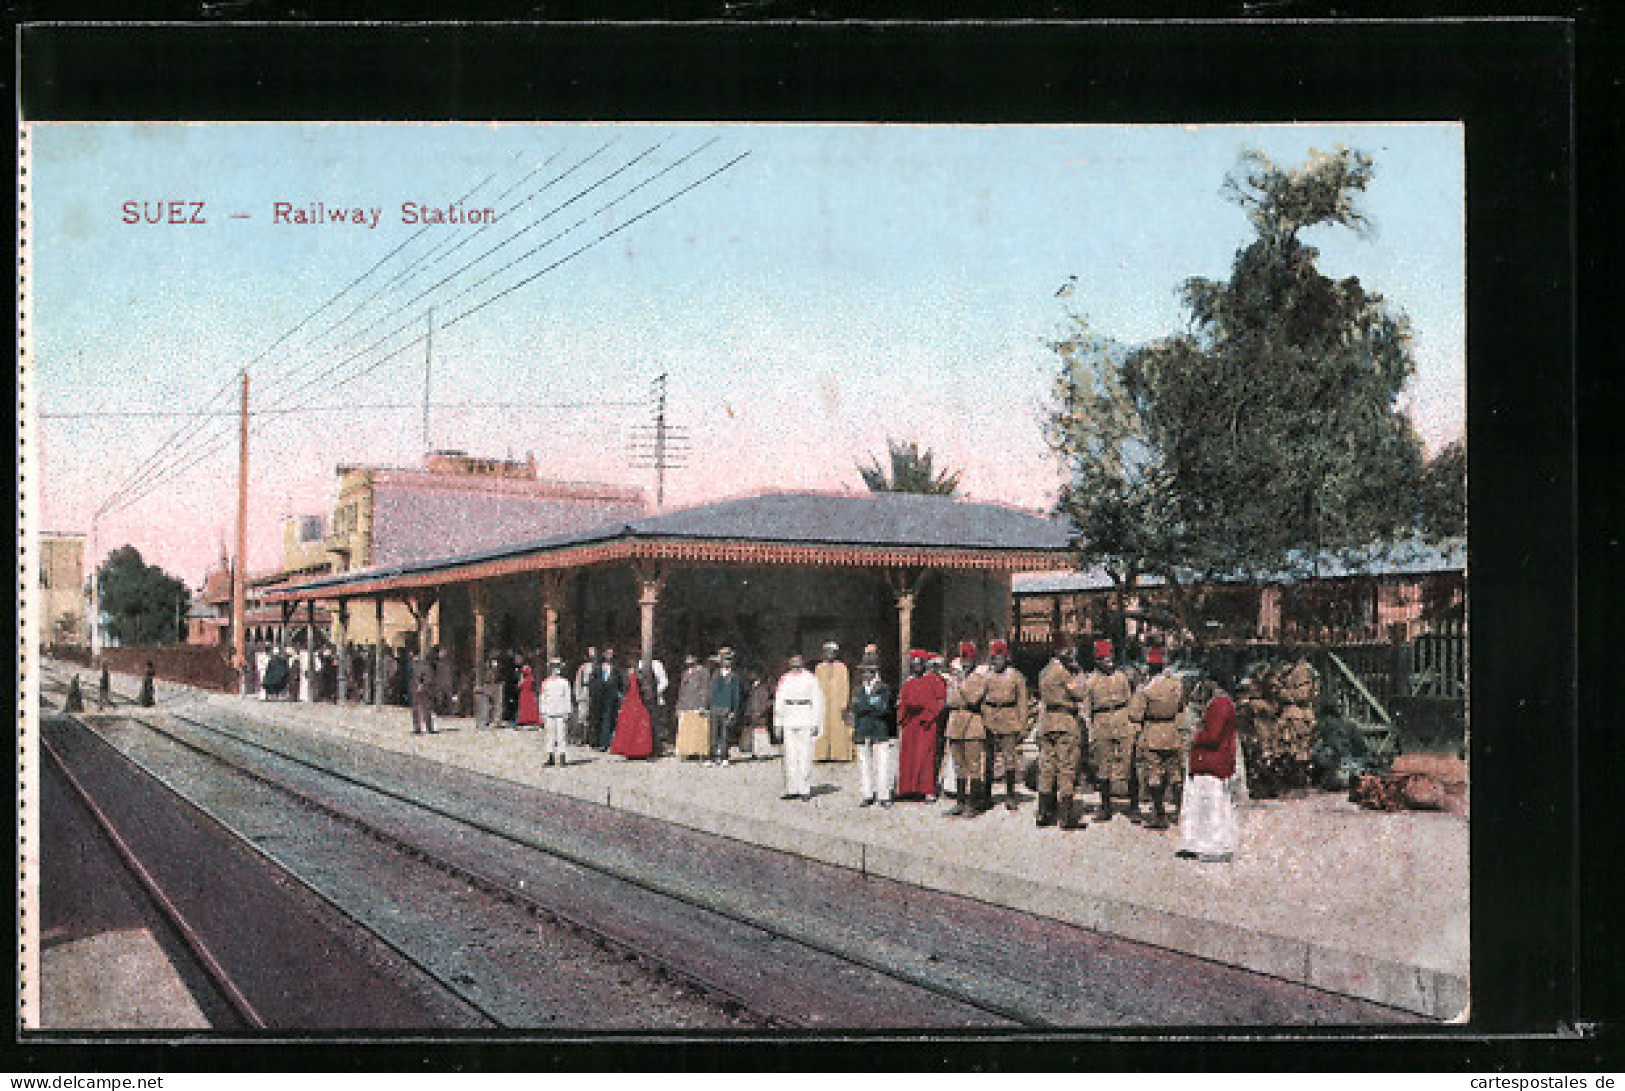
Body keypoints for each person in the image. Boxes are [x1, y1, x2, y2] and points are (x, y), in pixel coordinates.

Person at [1180, 679, 1239, 863]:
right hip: (1216, 762)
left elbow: (1213, 736)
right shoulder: (1224, 703)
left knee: (1209, 808)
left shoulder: (1218, 705)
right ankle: (1214, 844)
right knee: (1216, 807)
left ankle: (1212, 846)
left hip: (1211, 763)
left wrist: (1196, 736)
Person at [1129, 646, 1186, 830]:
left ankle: (1159, 813)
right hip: (1172, 731)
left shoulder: (1146, 689)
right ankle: (1179, 811)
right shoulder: (1176, 685)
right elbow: (1181, 706)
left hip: (1152, 733)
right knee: (1175, 774)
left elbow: (1134, 715)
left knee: (1154, 776)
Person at [1036, 638, 1088, 830]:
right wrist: (1079, 672)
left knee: (1047, 766)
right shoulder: (1065, 673)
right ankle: (1066, 816)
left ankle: (1043, 812)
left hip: (1048, 721)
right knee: (1066, 765)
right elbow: (1080, 693)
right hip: (1065, 721)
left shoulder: (1044, 671)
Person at [1085, 639, 1135, 821]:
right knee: (1103, 766)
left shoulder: (1121, 677)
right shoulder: (1090, 681)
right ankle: (1105, 807)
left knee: (1129, 763)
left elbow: (1130, 701)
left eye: (1110, 658)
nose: (1109, 663)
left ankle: (1134, 806)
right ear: (1097, 661)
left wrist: (1132, 725)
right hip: (1101, 722)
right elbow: (1086, 709)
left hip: (1122, 719)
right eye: (1104, 659)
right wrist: (1090, 732)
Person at [979, 639, 1028, 812]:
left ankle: (1010, 795)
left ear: (1006, 658)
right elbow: (980, 697)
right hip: (990, 718)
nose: (996, 661)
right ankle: (986, 795)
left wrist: (1022, 724)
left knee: (1009, 759)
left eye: (999, 658)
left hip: (1008, 717)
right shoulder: (986, 676)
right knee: (988, 759)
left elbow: (1022, 701)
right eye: (993, 658)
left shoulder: (1015, 676)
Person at [896, 648, 947, 802]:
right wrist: (904, 710)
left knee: (926, 756)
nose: (916, 667)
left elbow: (941, 701)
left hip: (926, 724)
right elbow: (903, 699)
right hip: (910, 724)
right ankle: (908, 789)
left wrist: (928, 714)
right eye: (913, 664)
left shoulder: (934, 680)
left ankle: (927, 790)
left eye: (919, 664)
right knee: (909, 756)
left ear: (924, 665)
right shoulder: (909, 682)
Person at [944, 642, 988, 817]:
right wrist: (959, 688)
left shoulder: (979, 679)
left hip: (972, 726)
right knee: (959, 766)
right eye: (963, 660)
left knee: (974, 766)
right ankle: (960, 802)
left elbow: (973, 699)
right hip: (955, 724)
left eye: (968, 660)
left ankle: (974, 803)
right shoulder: (956, 678)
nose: (965, 663)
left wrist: (960, 685)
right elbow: (950, 701)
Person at [774, 653, 825, 801]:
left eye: (798, 661)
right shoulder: (785, 679)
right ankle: (792, 788)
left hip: (805, 716)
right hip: (789, 716)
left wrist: (816, 722)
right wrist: (778, 723)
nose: (795, 663)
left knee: (805, 754)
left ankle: (804, 789)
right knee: (790, 755)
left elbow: (817, 701)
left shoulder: (810, 679)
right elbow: (779, 701)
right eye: (792, 661)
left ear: (802, 662)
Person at [850, 647, 895, 807]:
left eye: (870, 672)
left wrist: (866, 706)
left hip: (879, 730)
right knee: (864, 764)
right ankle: (867, 794)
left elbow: (883, 709)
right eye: (864, 672)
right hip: (862, 730)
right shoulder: (858, 690)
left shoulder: (883, 689)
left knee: (882, 763)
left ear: (875, 673)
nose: (866, 675)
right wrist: (870, 705)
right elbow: (856, 708)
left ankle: (884, 795)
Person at [1276, 649, 1320, 789]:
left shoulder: (1302, 671)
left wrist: (1282, 693)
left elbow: (1302, 695)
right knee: (1289, 750)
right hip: (1292, 715)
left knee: (1300, 751)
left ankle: (1300, 782)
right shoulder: (1288, 670)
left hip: (1298, 715)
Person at [813, 641, 854, 763]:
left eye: (832, 652)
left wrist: (844, 703)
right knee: (823, 727)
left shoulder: (842, 668)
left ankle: (839, 754)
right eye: (827, 652)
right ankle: (822, 754)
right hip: (823, 702)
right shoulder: (819, 668)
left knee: (838, 727)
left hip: (837, 703)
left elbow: (845, 686)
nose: (830, 655)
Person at [706, 648, 745, 767]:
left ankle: (724, 756)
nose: (726, 664)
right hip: (715, 707)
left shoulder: (734, 677)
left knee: (725, 734)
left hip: (727, 708)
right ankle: (712, 756)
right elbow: (710, 692)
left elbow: (736, 695)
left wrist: (734, 710)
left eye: (728, 662)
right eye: (724, 662)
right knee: (713, 733)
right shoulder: (715, 675)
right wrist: (707, 707)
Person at [674, 652, 713, 759]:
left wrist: (704, 704)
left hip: (697, 704)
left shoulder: (703, 672)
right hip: (686, 704)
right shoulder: (686, 673)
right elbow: (682, 691)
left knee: (698, 730)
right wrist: (679, 706)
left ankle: (699, 752)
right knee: (686, 730)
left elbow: (706, 689)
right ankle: (687, 751)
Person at [539, 659, 573, 766]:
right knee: (550, 735)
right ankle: (551, 755)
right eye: (553, 667)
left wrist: (567, 711)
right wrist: (542, 712)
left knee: (561, 735)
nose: (555, 669)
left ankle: (562, 756)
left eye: (557, 667)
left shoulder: (564, 683)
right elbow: (543, 698)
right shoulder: (546, 683)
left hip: (561, 711)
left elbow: (567, 697)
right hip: (549, 711)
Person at [589, 648, 624, 750]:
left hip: (611, 697)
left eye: (611, 654)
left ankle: (606, 743)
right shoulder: (598, 668)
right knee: (597, 718)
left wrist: (618, 695)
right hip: (598, 696)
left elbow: (619, 683)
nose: (609, 655)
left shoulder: (616, 669)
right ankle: (596, 741)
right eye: (607, 653)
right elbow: (593, 682)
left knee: (608, 719)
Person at [572, 646, 599, 744]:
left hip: (594, 693)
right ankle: (580, 737)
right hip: (584, 692)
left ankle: (589, 737)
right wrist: (577, 694)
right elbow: (578, 681)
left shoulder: (597, 666)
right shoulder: (583, 667)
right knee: (582, 715)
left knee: (591, 716)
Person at [411, 657, 437, 735]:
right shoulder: (417, 666)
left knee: (426, 708)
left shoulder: (424, 667)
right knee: (417, 709)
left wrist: (422, 685)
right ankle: (418, 727)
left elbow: (426, 678)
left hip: (423, 690)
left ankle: (428, 727)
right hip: (417, 689)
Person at [516, 661, 541, 728]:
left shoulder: (527, 679)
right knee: (528, 707)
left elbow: (520, 686)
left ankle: (527, 719)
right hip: (528, 694)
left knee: (526, 707)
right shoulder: (530, 678)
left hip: (525, 694)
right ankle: (529, 719)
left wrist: (521, 679)